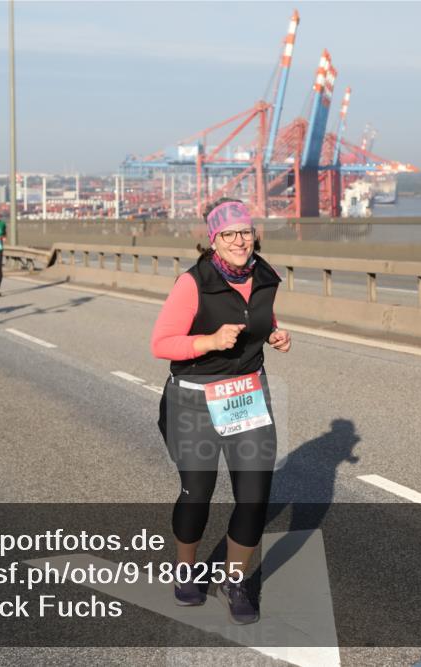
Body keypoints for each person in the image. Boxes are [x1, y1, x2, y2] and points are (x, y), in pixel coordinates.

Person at [151, 198, 292, 624]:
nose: (239, 241)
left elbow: (259, 316)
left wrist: (274, 334)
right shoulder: (192, 283)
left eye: (245, 232)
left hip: (246, 395)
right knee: (198, 492)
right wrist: (209, 342)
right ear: (213, 240)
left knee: (254, 495)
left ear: (254, 235)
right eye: (228, 234)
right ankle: (185, 568)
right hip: (194, 400)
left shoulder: (265, 276)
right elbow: (161, 343)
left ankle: (235, 581)